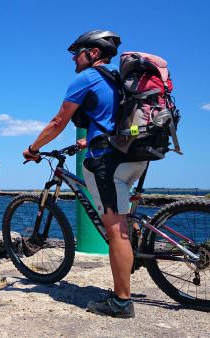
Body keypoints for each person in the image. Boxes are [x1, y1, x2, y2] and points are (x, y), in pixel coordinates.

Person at [22, 30, 147, 319]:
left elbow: (58, 122)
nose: (73, 59)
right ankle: (135, 253)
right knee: (122, 221)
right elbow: (112, 119)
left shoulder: (87, 78)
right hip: (133, 155)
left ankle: (121, 302)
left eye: (76, 53)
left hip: (107, 162)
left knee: (115, 230)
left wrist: (32, 148)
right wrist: (87, 139)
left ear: (92, 52)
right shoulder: (118, 77)